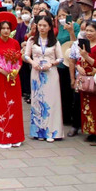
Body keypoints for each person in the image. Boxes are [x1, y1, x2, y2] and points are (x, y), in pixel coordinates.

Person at [24, 14, 63, 142]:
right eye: (40, 25)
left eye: (45, 26)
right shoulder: (32, 40)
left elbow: (61, 58)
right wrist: (32, 62)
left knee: (51, 101)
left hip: (51, 73)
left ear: (50, 27)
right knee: (37, 100)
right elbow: (26, 55)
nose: (42, 28)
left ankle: (52, 131)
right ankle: (39, 131)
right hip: (36, 73)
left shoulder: (55, 42)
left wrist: (51, 64)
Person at [0, 16, 24, 148]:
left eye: (8, 28)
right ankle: (1, 137)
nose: (5, 31)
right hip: (0, 77)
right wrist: (2, 71)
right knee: (1, 105)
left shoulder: (15, 43)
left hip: (14, 78)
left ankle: (15, 137)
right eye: (3, 28)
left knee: (14, 106)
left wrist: (16, 71)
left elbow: (19, 60)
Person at [73, 20, 96, 146]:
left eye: (91, 31)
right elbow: (78, 60)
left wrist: (86, 56)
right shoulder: (85, 44)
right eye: (87, 30)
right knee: (87, 107)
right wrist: (78, 67)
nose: (88, 33)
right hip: (85, 79)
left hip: (95, 80)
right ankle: (92, 132)